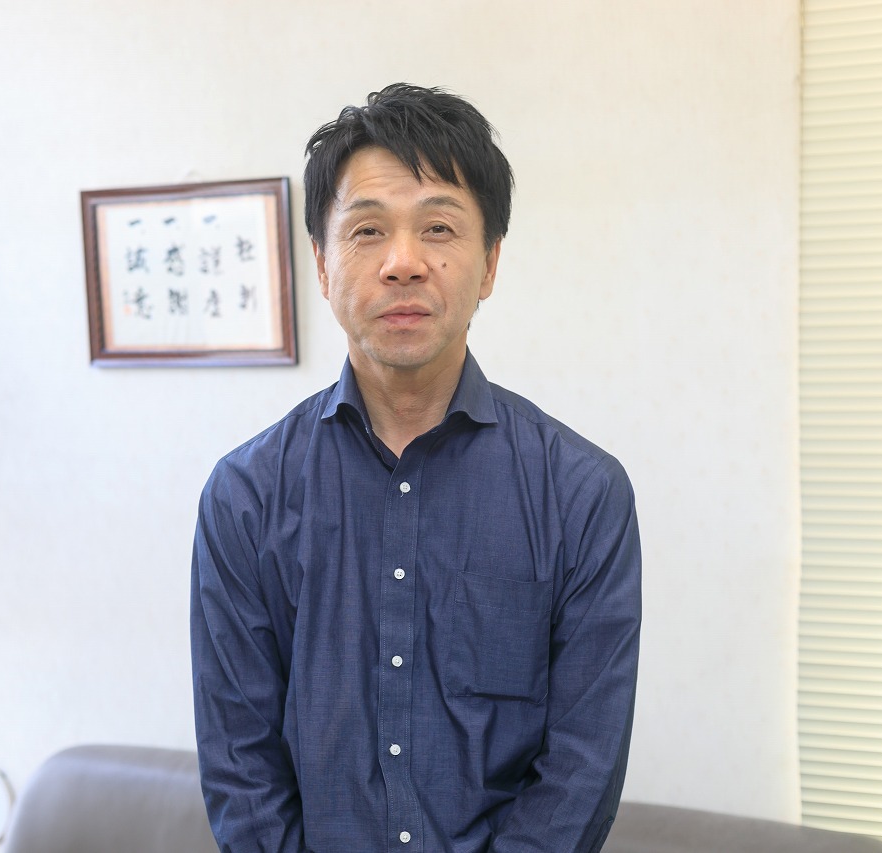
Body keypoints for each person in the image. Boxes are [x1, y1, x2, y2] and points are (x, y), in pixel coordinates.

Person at [191, 83, 641, 853]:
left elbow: (580, 773)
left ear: (489, 263)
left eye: (438, 227)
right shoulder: (245, 498)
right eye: (368, 230)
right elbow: (242, 770)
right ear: (322, 264)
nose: (403, 263)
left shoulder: (582, 495)